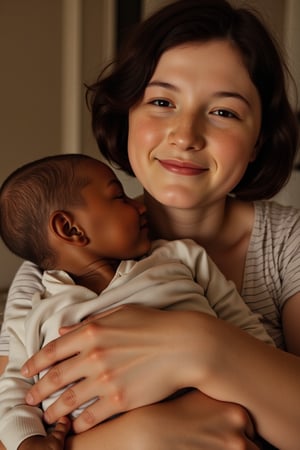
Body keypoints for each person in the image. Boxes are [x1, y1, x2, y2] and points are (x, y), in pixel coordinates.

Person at [0, 0, 300, 448]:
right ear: (126, 117)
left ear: (258, 140)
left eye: (224, 112)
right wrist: (139, 436)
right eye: (162, 101)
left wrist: (199, 346)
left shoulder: (287, 245)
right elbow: (14, 412)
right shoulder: (49, 273)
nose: (185, 135)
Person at [0, 153, 273, 450]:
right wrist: (28, 441)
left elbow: (249, 337)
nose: (140, 206)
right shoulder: (32, 313)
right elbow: (15, 393)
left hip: (216, 432)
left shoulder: (181, 258)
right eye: (119, 197)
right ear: (70, 229)